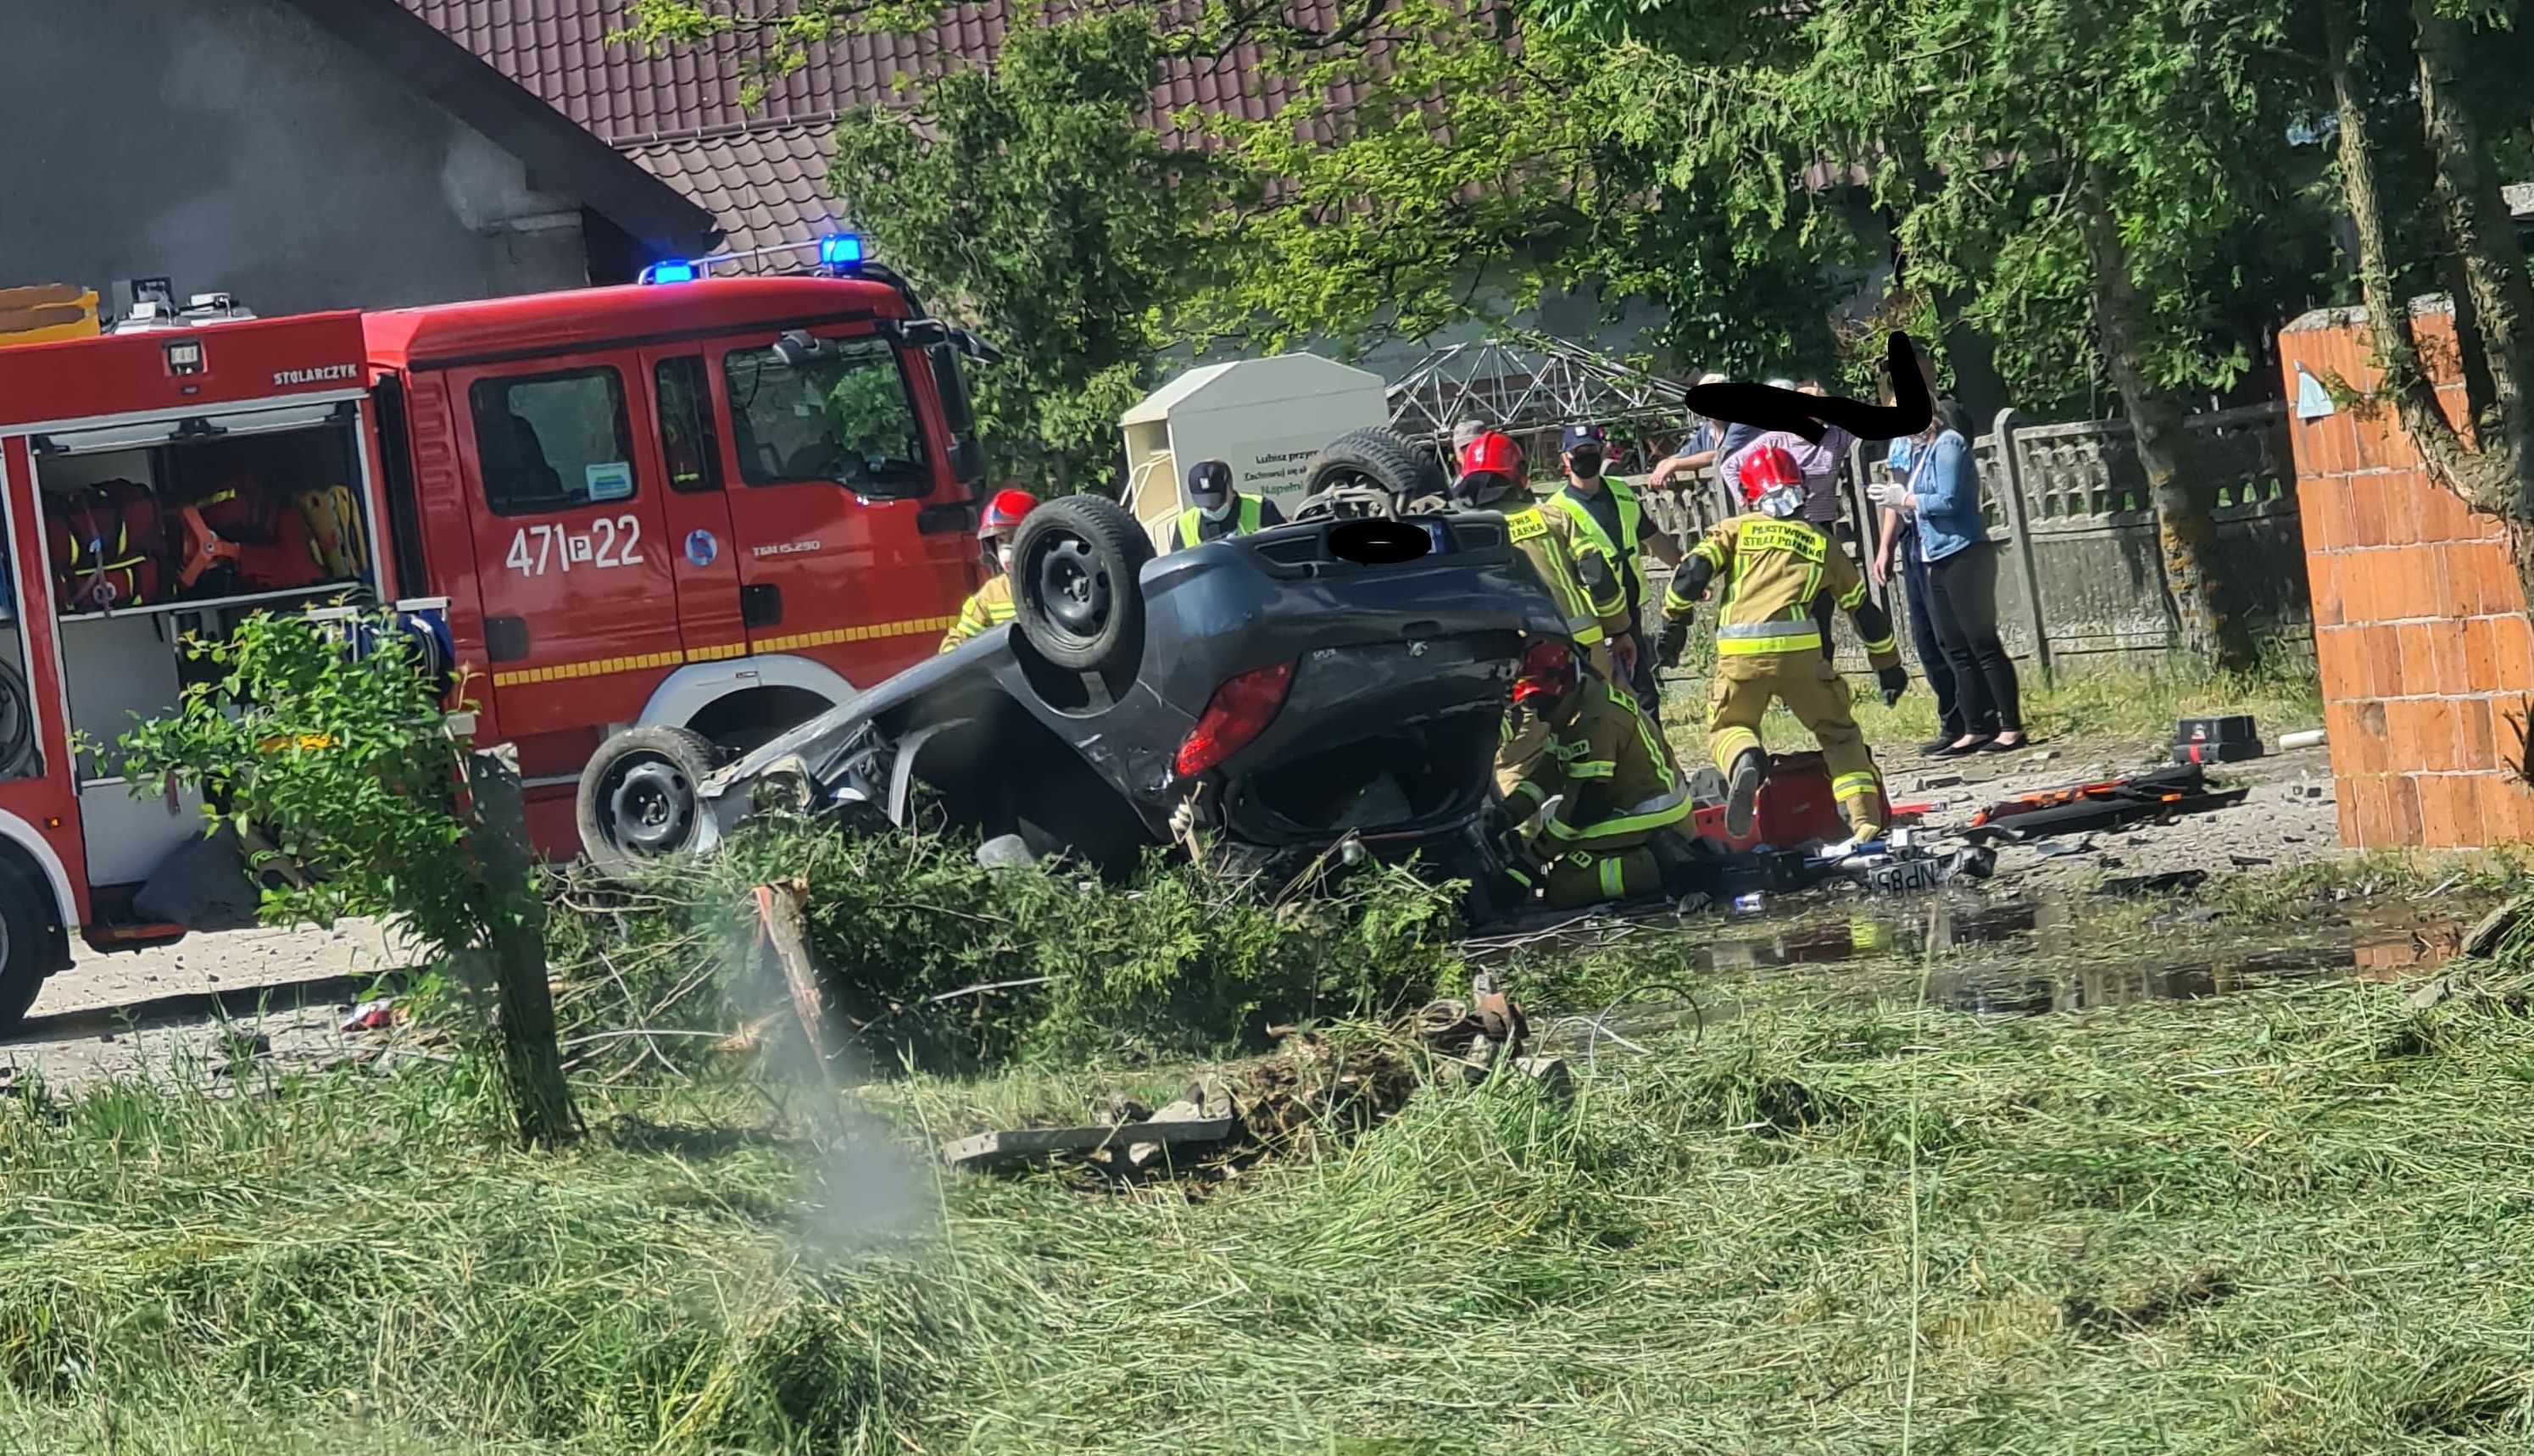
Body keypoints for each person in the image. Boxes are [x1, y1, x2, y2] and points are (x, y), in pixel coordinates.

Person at [1652, 443, 1907, 851]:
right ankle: (1863, 825)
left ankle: (1746, 759)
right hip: (1802, 659)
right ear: (1801, 489)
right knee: (1839, 736)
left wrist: (1673, 623)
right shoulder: (1822, 543)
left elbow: (1691, 572)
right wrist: (1888, 665)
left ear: (1749, 494)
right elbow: (1864, 612)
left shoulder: (1736, 529)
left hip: (1741, 657)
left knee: (1729, 728)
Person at [1868, 401, 2028, 754]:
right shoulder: (1919, 451)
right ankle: (1974, 728)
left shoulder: (1949, 444)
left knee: (1981, 642)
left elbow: (1949, 499)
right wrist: (1895, 503)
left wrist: (1907, 498)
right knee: (1952, 645)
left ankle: (2011, 727)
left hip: (1964, 552)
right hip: (1933, 554)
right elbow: (1917, 504)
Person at [1494, 636, 1695, 909]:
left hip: (1651, 821)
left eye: (1540, 702)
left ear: (1561, 688)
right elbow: (1547, 775)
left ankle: (1661, 867)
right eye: (1531, 704)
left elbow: (1583, 807)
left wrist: (1528, 866)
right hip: (1624, 809)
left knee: (1564, 887)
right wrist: (1507, 814)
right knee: (1565, 863)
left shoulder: (1594, 720)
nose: (1538, 714)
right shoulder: (1572, 707)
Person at [1452, 446, 1628, 683]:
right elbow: (1597, 575)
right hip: (1580, 643)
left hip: (1513, 656)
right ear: (1520, 474)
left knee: (1527, 718)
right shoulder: (1552, 517)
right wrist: (1618, 630)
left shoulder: (1463, 535)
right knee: (1611, 714)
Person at [1551, 423, 1685, 720]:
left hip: (1629, 609)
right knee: (1601, 695)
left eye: (1592, 451)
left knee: (1644, 691)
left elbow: (1651, 536)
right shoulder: (1556, 509)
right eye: (1579, 453)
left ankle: (1655, 756)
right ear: (1565, 459)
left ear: (1601, 452)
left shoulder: (1621, 492)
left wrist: (1687, 569)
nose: (1586, 458)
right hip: (1592, 617)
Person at [1870, 435, 1966, 757]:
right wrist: (1885, 548)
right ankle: (1950, 722)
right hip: (1912, 541)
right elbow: (1892, 502)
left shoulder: (1941, 444)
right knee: (1924, 639)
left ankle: (1972, 720)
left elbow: (1945, 496)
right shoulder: (1898, 444)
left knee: (1946, 636)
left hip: (1937, 539)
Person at [939, 486, 1037, 653]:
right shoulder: (991, 595)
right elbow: (956, 640)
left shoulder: (1060, 582)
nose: (1007, 549)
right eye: (1000, 540)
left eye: (1015, 538)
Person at [1168, 458, 1285, 552]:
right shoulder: (1185, 523)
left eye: (1216, 501)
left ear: (1230, 485)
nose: (1211, 508)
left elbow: (1285, 551)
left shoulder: (1262, 508)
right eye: (1204, 503)